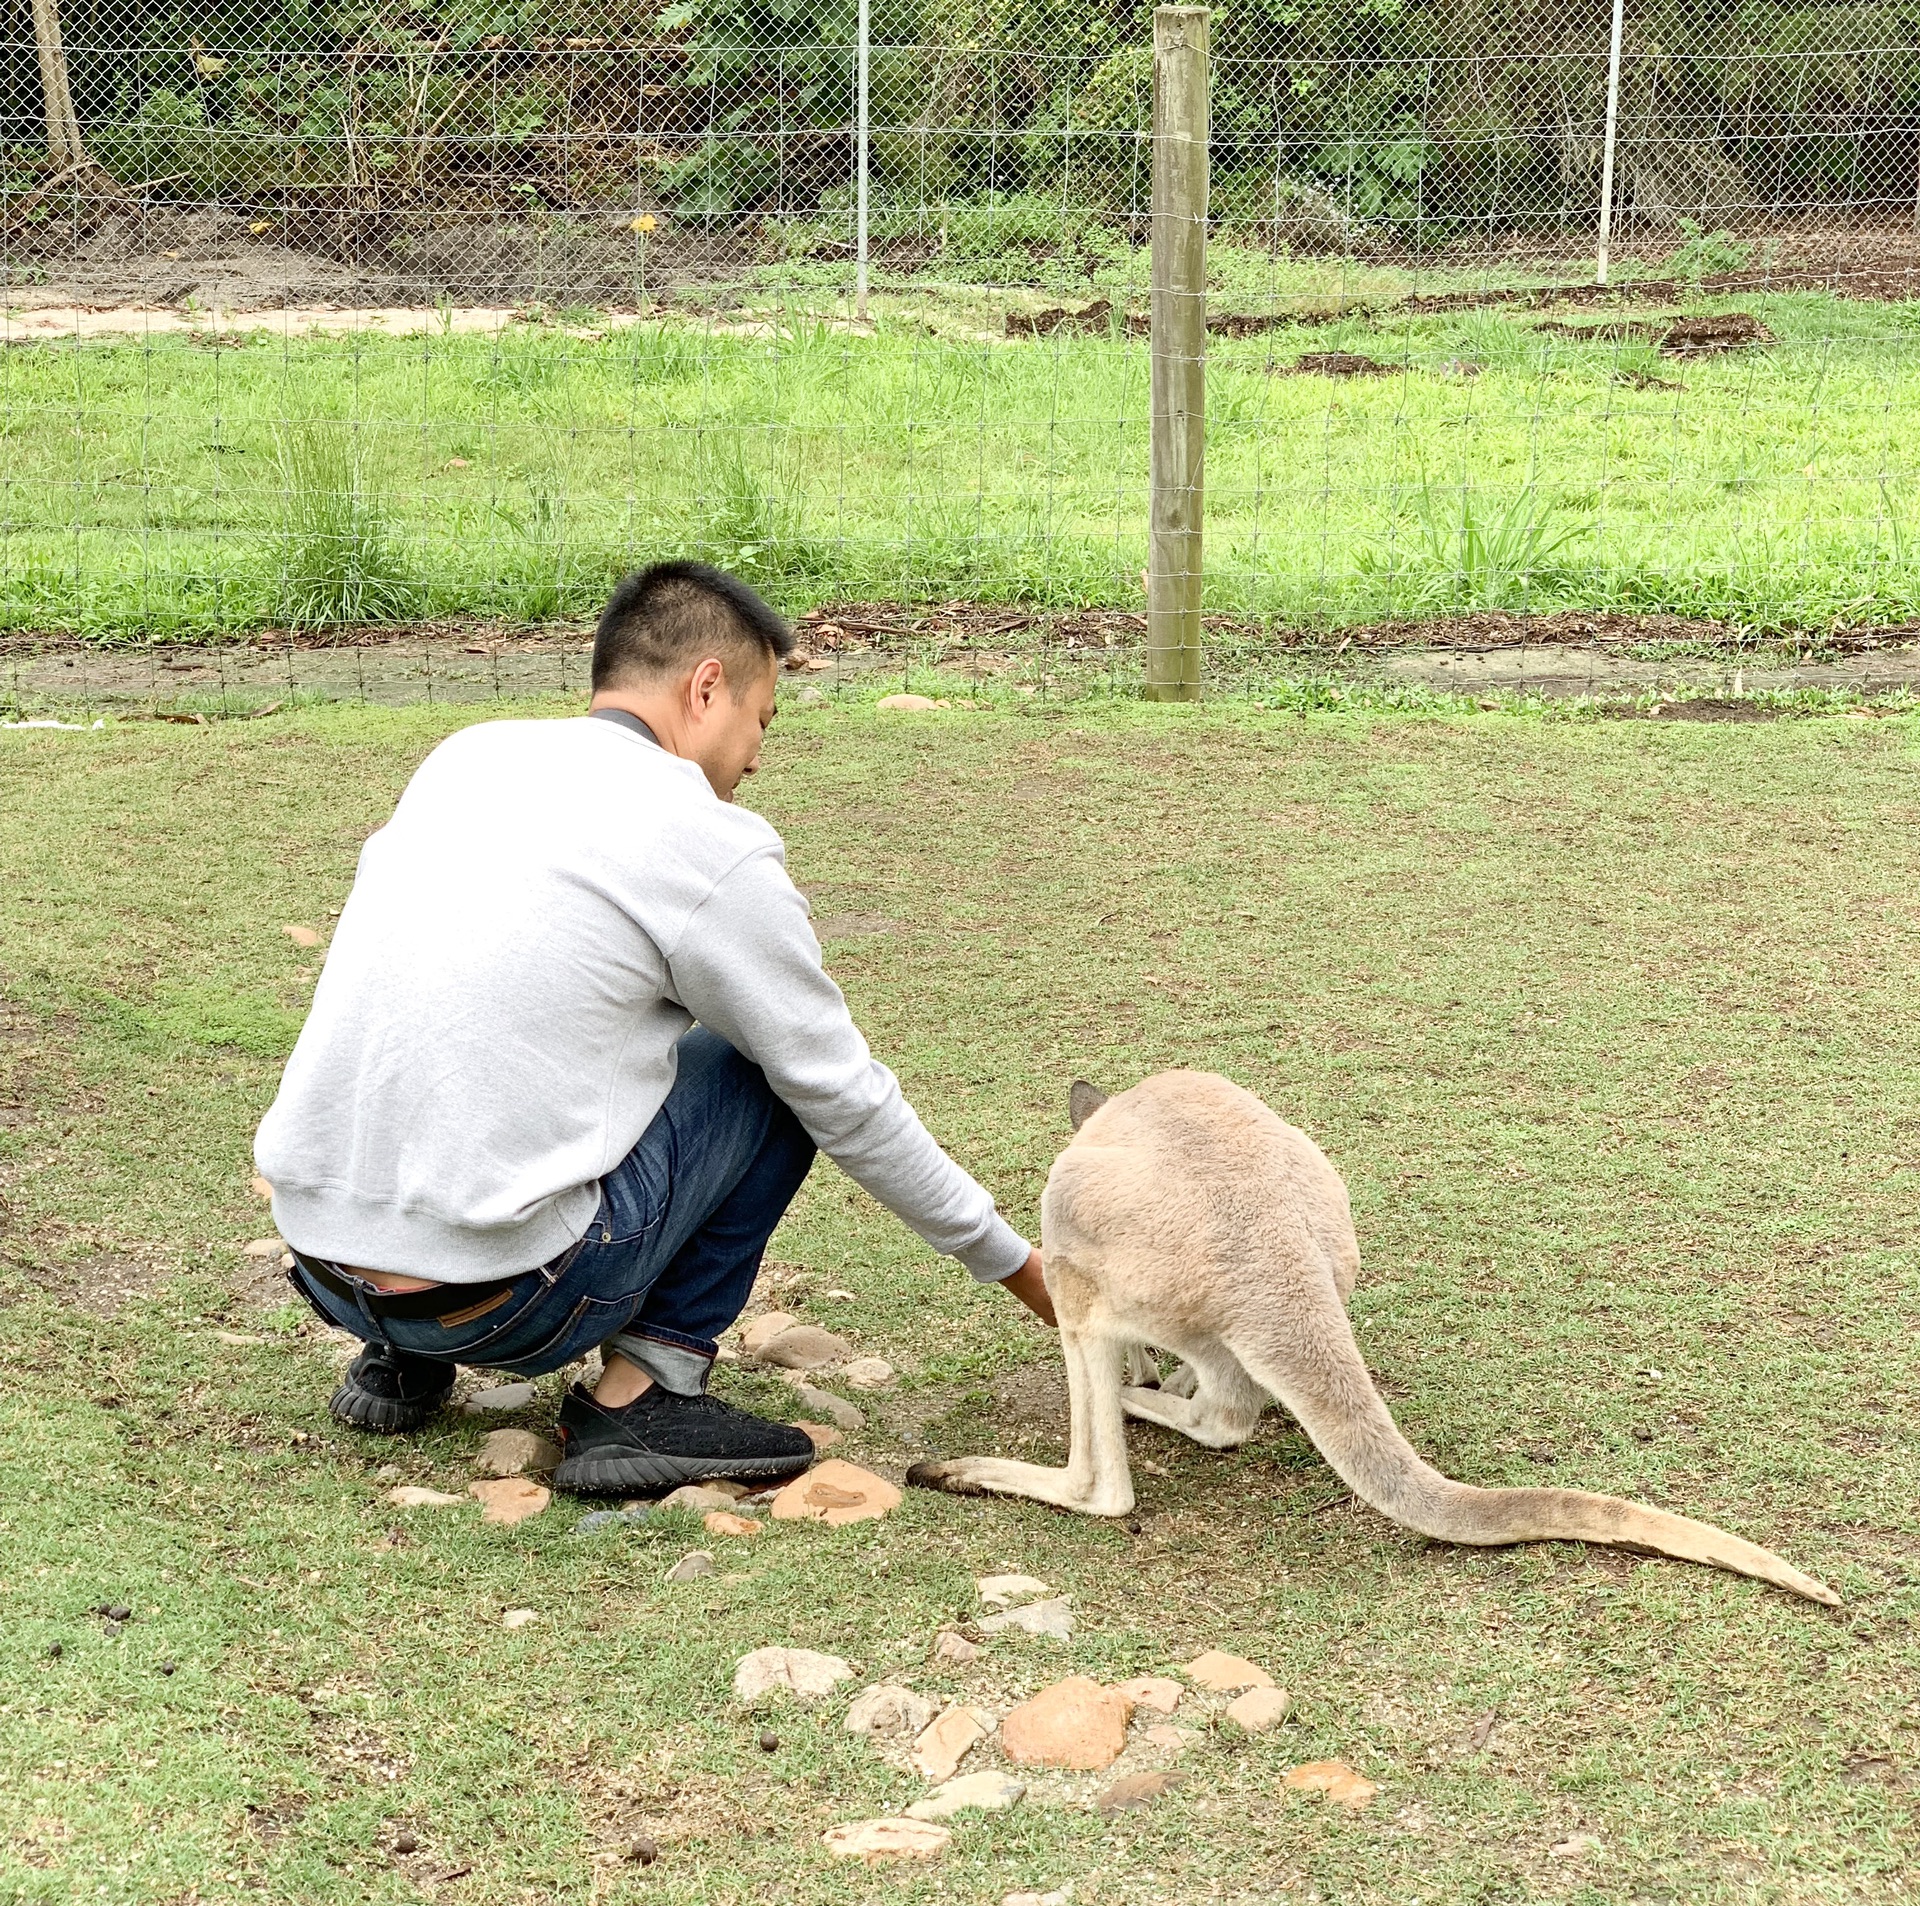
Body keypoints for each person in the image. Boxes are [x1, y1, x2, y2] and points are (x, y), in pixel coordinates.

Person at [255, 560, 1052, 1495]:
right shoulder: (705, 838)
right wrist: (1020, 1269)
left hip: (322, 1264)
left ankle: (398, 1359)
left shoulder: (465, 756)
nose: (755, 759)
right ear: (705, 687)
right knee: (771, 1066)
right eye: (763, 720)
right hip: (510, 1303)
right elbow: (841, 1092)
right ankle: (647, 1392)